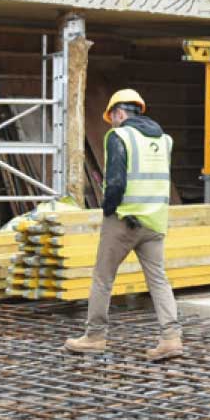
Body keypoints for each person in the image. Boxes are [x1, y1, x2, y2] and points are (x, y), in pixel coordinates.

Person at [65, 89, 183, 361]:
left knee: (103, 278)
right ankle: (171, 338)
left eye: (112, 118)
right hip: (154, 222)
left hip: (124, 221)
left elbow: (116, 182)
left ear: (119, 113)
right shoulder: (164, 140)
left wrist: (108, 209)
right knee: (158, 279)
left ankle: (94, 336)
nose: (112, 123)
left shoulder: (120, 136)